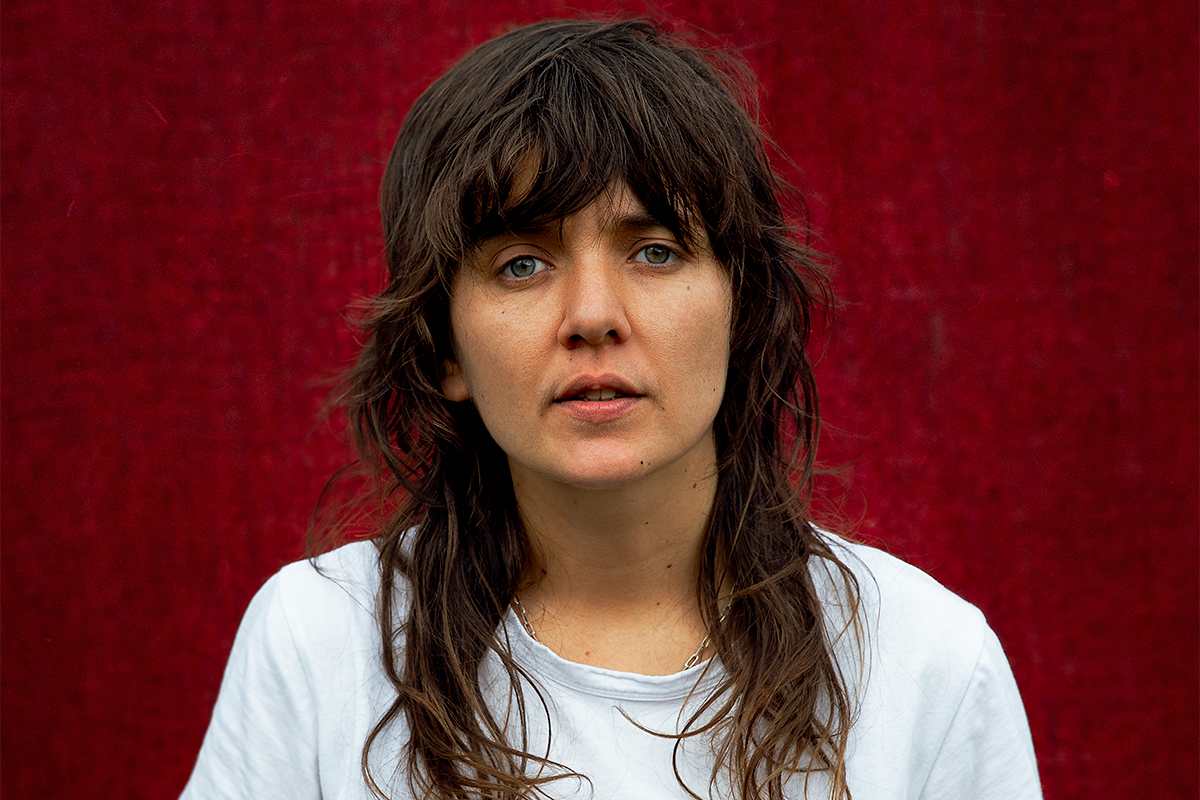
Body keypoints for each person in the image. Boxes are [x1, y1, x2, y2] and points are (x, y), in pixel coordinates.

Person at [181, 18, 1042, 800]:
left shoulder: (927, 665)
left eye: (656, 251)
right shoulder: (319, 645)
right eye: (522, 262)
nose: (593, 314)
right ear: (445, 350)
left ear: (744, 314)